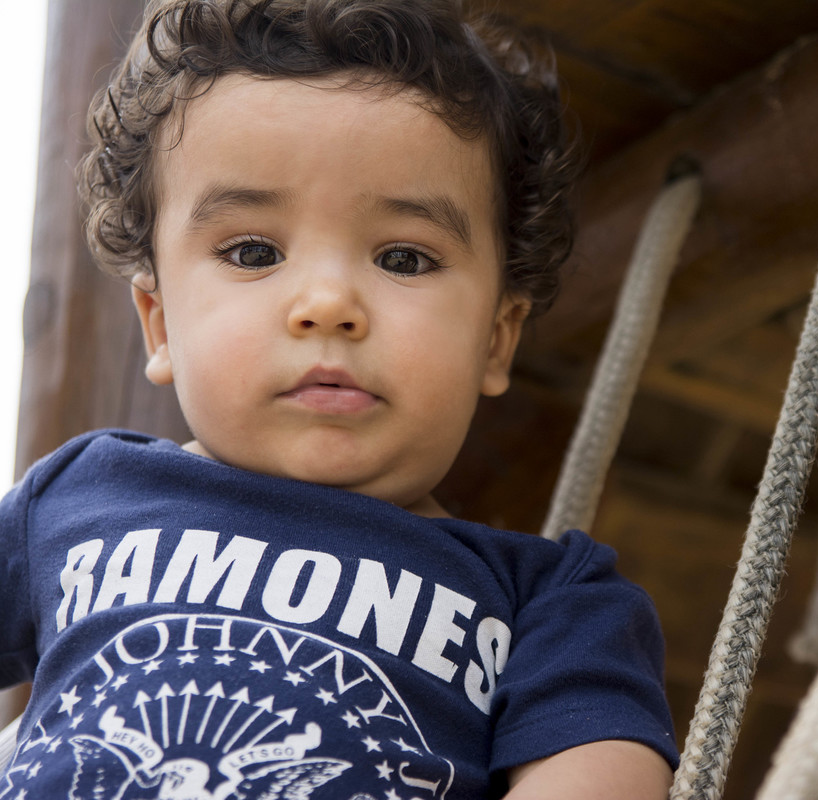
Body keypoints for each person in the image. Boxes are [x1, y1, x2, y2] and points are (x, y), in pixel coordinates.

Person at [0, 1, 678, 798]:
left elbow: (602, 774)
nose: (327, 302)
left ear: (496, 336)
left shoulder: (553, 602)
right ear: (160, 327)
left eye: (404, 257)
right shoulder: (77, 497)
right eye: (253, 251)